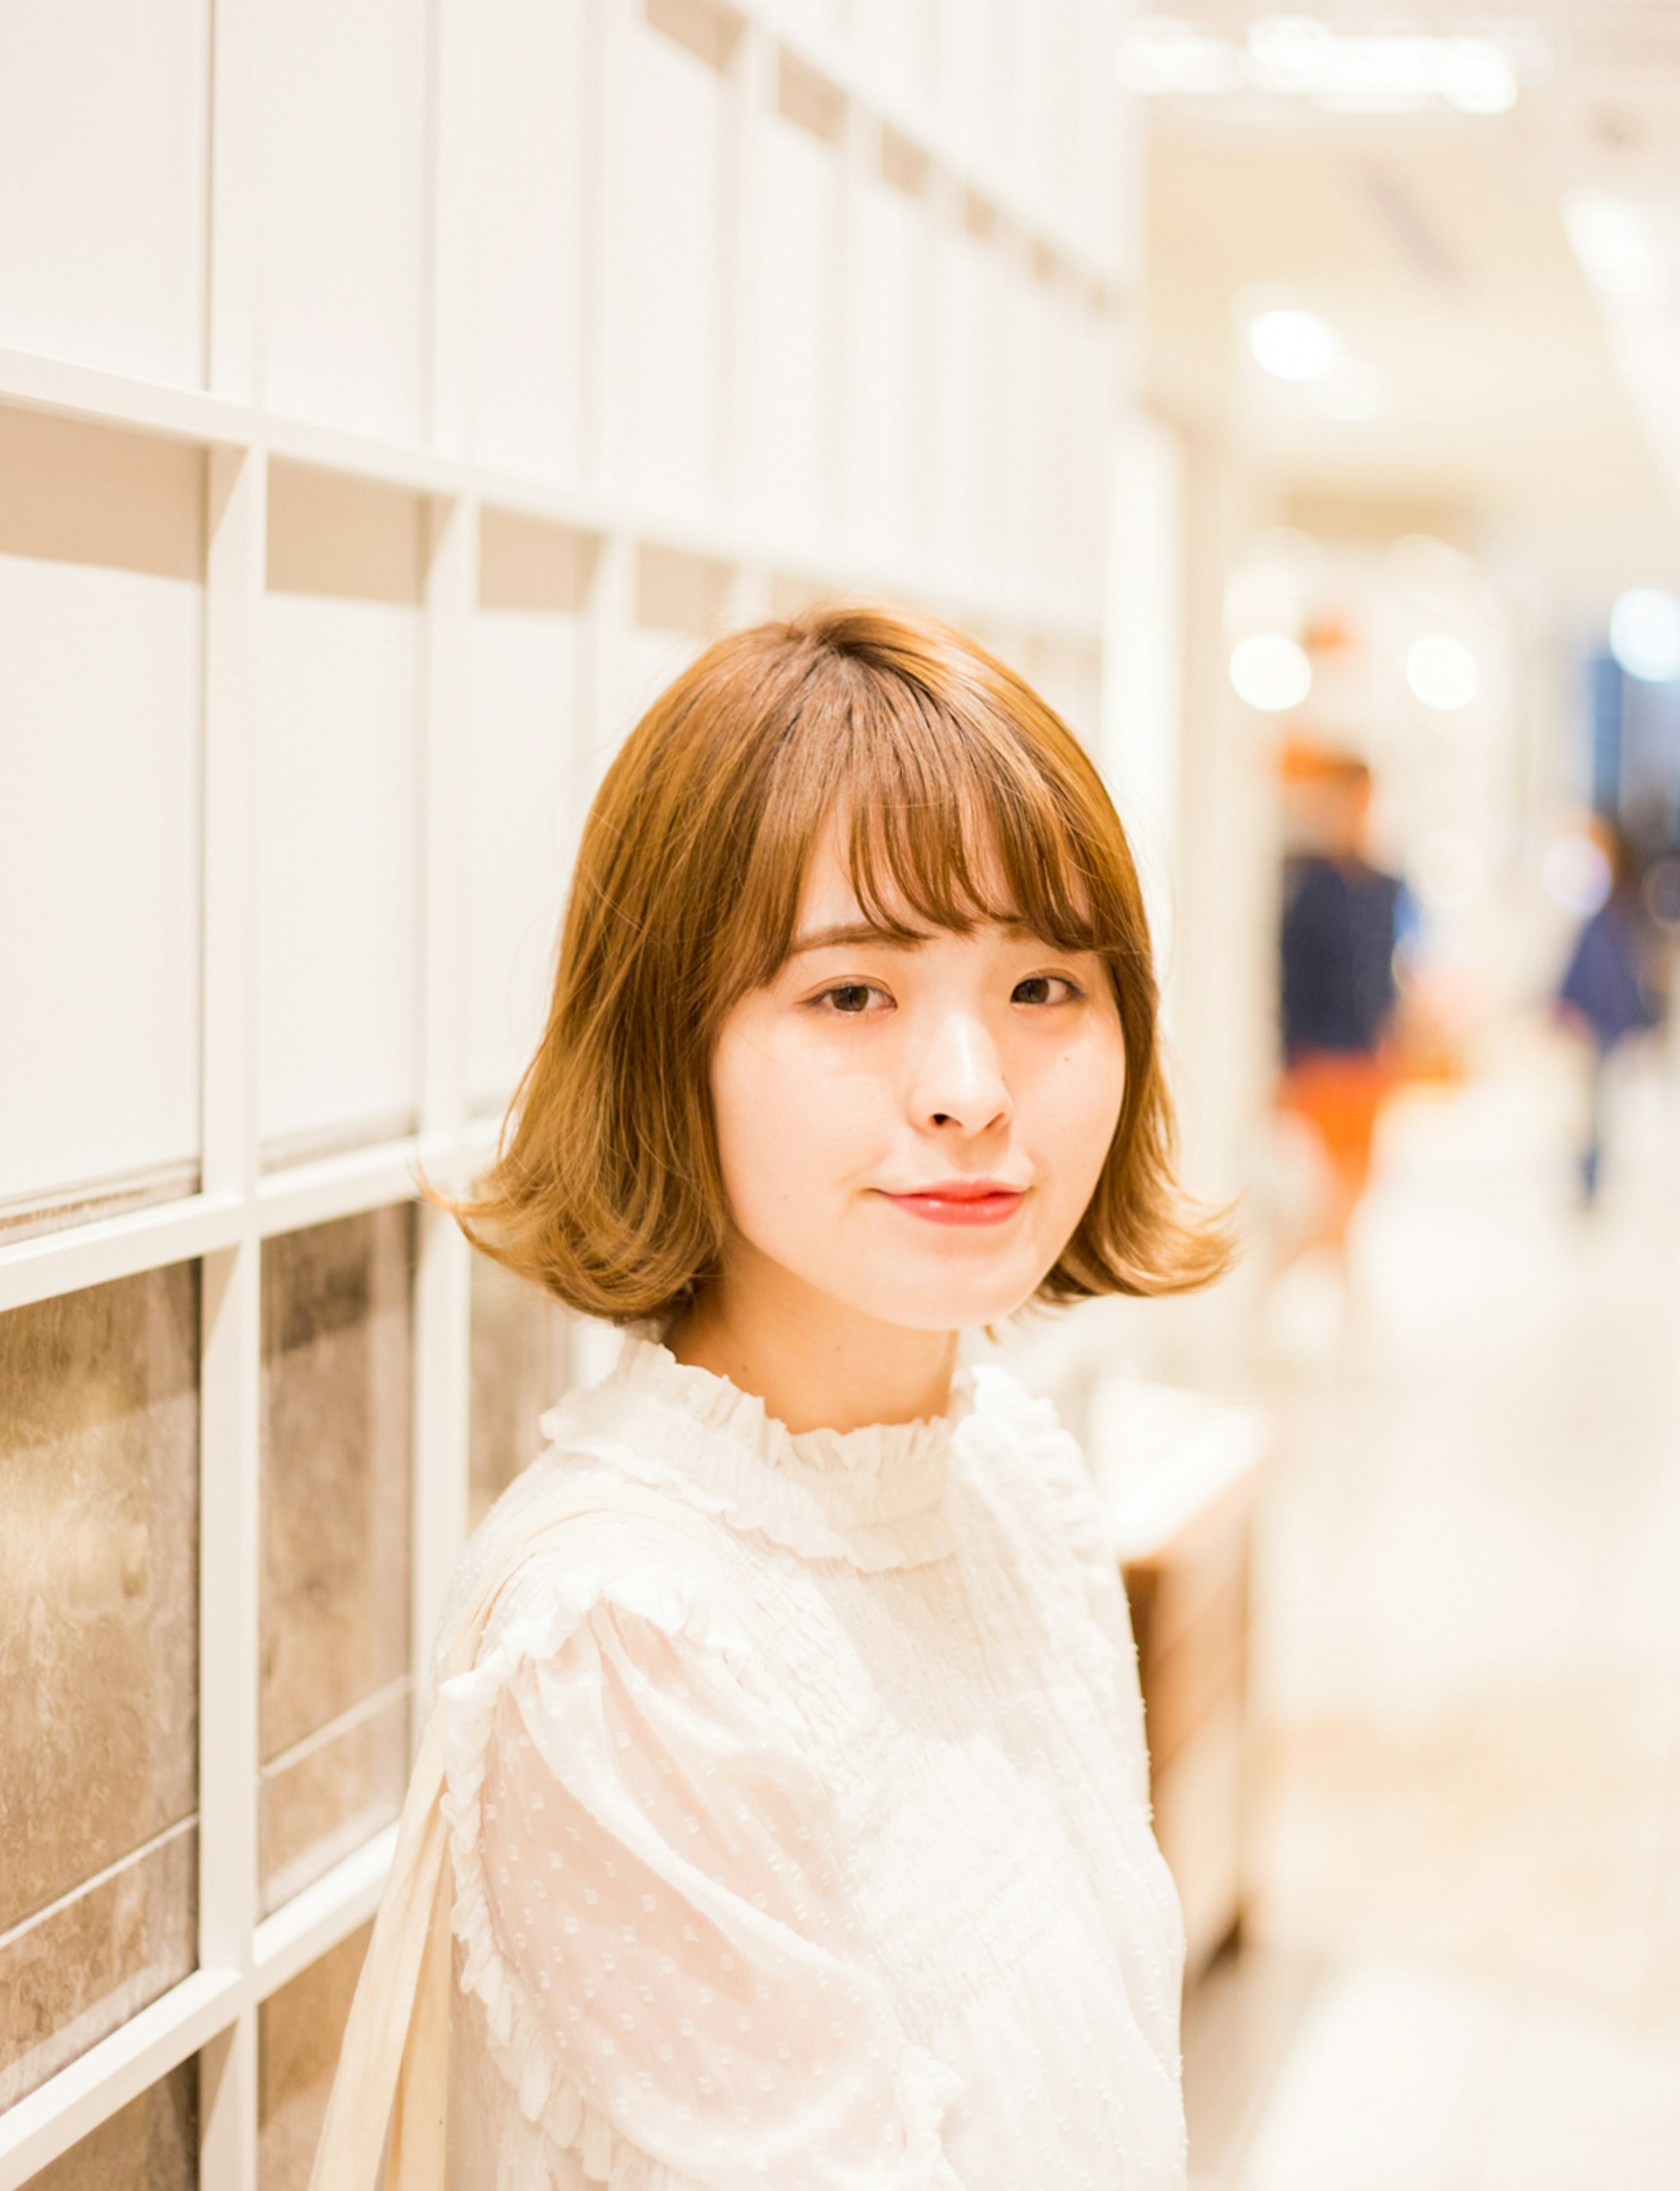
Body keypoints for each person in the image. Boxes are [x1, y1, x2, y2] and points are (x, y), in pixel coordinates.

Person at [311, 604, 1229, 2191]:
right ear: (676, 1044)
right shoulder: (632, 1638)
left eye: (1046, 984)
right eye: (852, 993)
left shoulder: (1005, 1466)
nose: (972, 1086)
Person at [1276, 746, 1411, 1256]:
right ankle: (1302, 1270)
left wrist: (1392, 1038)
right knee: (1331, 1189)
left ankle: (1322, 1280)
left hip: (1367, 1059)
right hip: (1320, 1059)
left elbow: (1385, 973)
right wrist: (1290, 1064)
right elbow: (1294, 979)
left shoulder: (1384, 887)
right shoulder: (1311, 889)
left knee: (1357, 1185)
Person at [1552, 819, 1660, 1206]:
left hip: (1603, 1020)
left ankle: (1590, 1175)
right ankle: (1588, 1172)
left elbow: (1617, 971)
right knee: (1589, 1104)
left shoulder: (1616, 910)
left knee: (1595, 1106)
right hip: (1598, 1019)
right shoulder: (1608, 906)